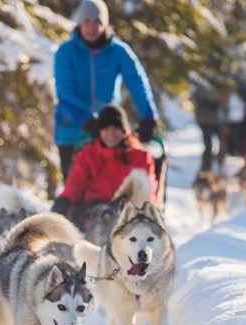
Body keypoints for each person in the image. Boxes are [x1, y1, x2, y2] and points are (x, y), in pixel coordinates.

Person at [54, 0, 159, 183]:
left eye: (97, 22)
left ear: (105, 24)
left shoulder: (118, 52)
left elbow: (137, 82)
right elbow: (65, 93)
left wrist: (148, 116)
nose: (91, 27)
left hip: (108, 133)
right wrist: (88, 120)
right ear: (79, 23)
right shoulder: (66, 53)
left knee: (107, 190)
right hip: (72, 131)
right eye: (87, 21)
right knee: (75, 191)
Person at [51, 104, 158, 227]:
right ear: (99, 131)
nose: (111, 134)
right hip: (93, 211)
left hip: (127, 215)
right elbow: (75, 183)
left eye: (116, 128)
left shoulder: (139, 156)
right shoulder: (88, 154)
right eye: (106, 129)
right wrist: (65, 199)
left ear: (124, 131)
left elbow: (147, 191)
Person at [192, 82, 230, 171]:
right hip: (206, 122)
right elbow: (200, 102)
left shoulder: (222, 85)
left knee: (223, 144)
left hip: (218, 122)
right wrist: (215, 104)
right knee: (208, 146)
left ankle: (220, 166)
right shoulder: (200, 86)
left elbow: (224, 106)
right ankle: (206, 169)